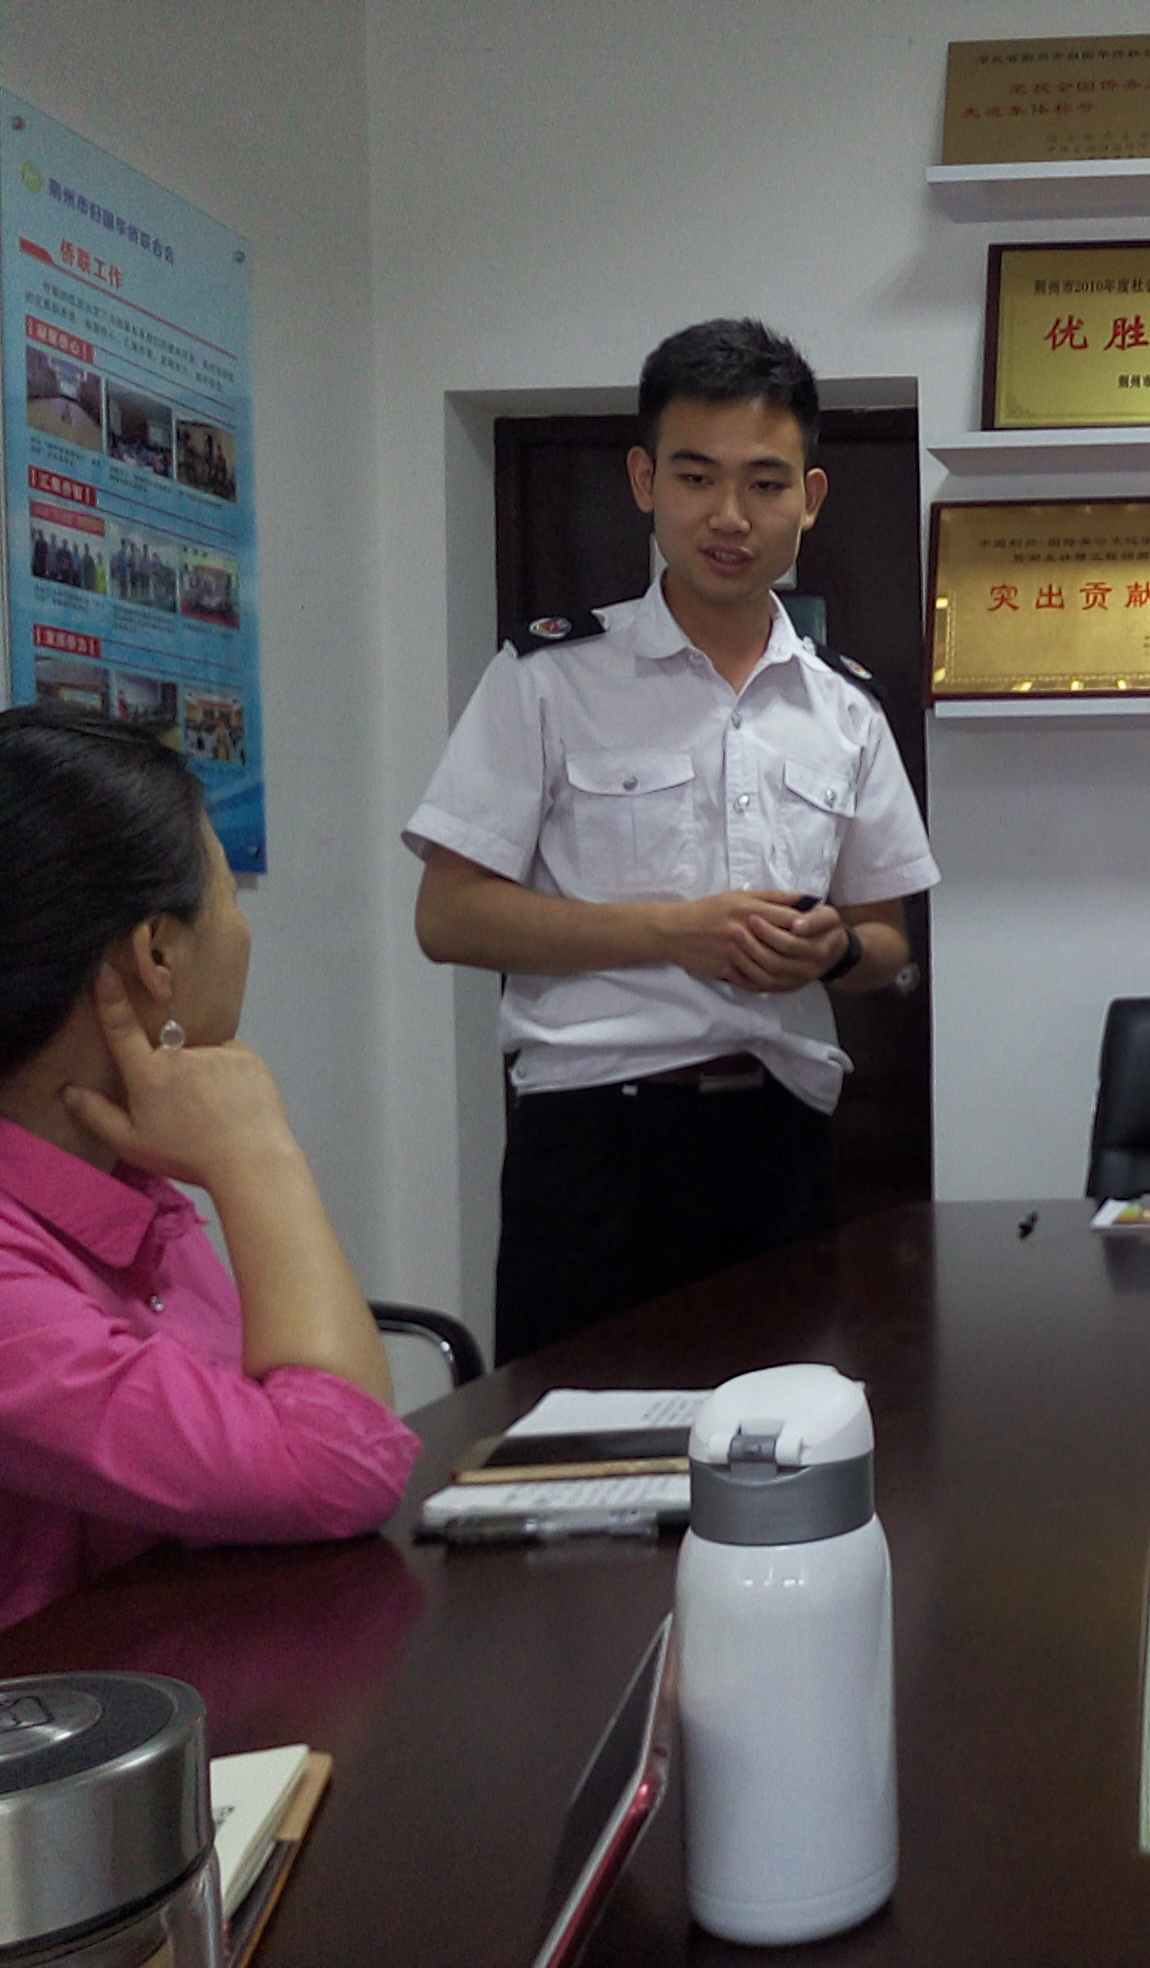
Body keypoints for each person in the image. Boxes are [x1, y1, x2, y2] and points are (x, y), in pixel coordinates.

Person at [405, 318, 938, 1363]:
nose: (729, 516)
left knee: (781, 1433)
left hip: (782, 1137)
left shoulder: (846, 707)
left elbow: (887, 941)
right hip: (592, 1142)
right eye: (697, 478)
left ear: (809, 498)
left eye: (765, 484)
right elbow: (449, 916)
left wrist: (831, 948)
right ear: (645, 480)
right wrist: (671, 933)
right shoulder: (548, 677)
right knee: (579, 1440)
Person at [0, 707, 418, 1665]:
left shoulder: (122, 1162)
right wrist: (257, 1153)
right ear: (156, 952)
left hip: (155, 1684)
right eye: (228, 895)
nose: (241, 929)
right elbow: (336, 1462)